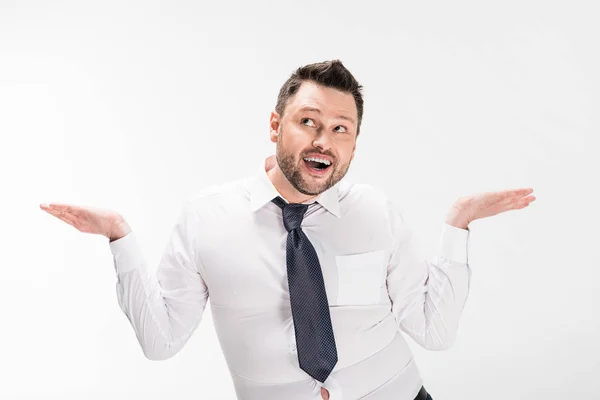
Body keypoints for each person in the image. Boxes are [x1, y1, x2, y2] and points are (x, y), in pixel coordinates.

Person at [40, 60, 535, 400]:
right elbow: (160, 340)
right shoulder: (207, 219)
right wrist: (120, 236)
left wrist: (459, 224)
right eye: (308, 121)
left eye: (341, 128)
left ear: (355, 145)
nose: (325, 139)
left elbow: (434, 330)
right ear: (276, 125)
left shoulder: (376, 213)